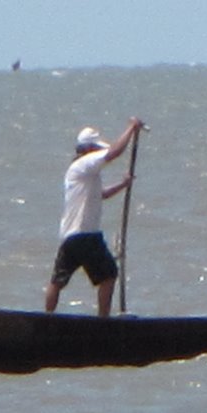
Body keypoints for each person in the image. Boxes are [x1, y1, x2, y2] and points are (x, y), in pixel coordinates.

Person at [45, 118, 145, 316]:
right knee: (109, 275)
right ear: (89, 148)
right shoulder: (85, 163)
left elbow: (101, 195)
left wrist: (123, 184)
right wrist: (131, 129)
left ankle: (47, 317)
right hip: (86, 235)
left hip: (70, 235)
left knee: (57, 281)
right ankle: (103, 321)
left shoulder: (81, 173)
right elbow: (115, 152)